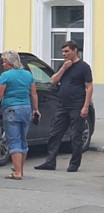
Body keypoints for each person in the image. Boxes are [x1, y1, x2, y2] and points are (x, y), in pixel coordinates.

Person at [35, 40, 94, 172]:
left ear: (75, 51)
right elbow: (53, 81)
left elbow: (89, 87)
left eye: (67, 51)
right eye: (63, 51)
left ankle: (74, 164)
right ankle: (50, 162)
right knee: (55, 133)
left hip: (77, 105)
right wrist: (63, 68)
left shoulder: (83, 67)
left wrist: (85, 106)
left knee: (76, 135)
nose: (64, 54)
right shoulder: (63, 65)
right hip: (62, 105)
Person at [0, 51, 40, 179]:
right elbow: (33, 93)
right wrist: (36, 109)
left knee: (14, 140)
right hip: (26, 108)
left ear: (10, 62)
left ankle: (17, 172)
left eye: (4, 61)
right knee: (23, 139)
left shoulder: (5, 76)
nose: (3, 64)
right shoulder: (28, 74)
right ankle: (19, 168)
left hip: (11, 109)